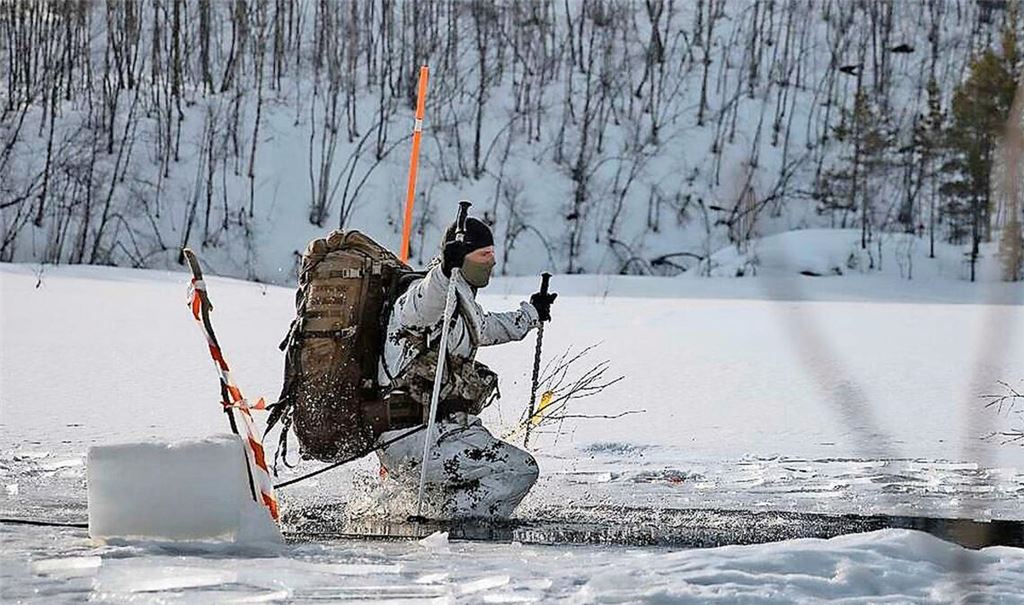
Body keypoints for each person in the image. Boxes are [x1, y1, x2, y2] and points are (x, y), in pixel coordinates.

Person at [375, 216, 557, 519]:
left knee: (505, 465)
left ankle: (443, 510)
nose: (493, 262)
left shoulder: (463, 302)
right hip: (413, 438)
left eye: (493, 253)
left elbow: (486, 328)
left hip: (445, 432)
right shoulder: (424, 297)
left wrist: (531, 315)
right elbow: (425, 302)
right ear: (462, 256)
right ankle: (453, 522)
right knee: (519, 470)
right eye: (484, 255)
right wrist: (445, 271)